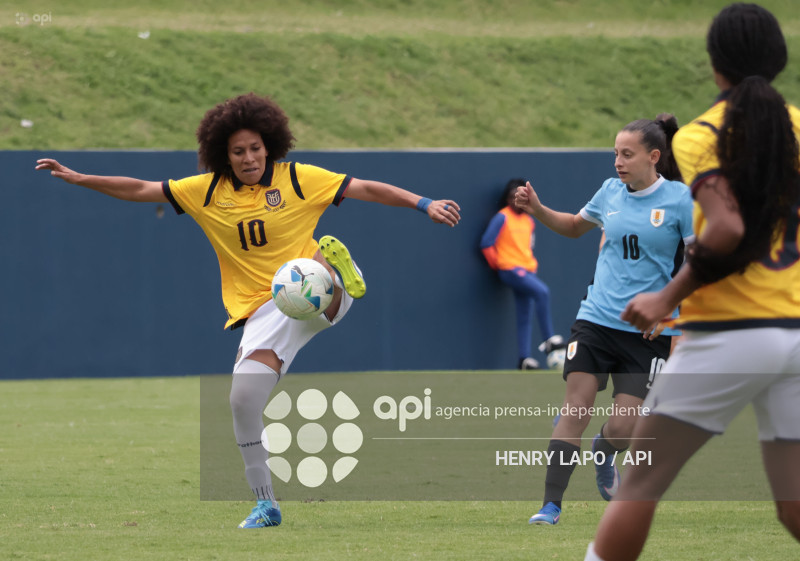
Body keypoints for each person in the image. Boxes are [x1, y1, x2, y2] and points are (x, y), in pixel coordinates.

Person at [35, 92, 462, 529]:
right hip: (263, 312)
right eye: (238, 151)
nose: (248, 157)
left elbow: (365, 188)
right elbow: (142, 189)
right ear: (224, 154)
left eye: (255, 148)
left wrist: (423, 203)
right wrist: (81, 178)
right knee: (242, 401)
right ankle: (266, 504)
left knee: (304, 273)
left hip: (311, 286)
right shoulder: (206, 192)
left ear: (269, 145)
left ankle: (334, 269)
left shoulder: (297, 179)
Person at [585, 5, 800, 560]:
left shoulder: (704, 134)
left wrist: (665, 297)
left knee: (638, 488)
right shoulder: (797, 125)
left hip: (731, 333)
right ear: (778, 59)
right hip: (796, 332)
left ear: (715, 65)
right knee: (792, 505)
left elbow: (727, 225)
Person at [515, 115, 695, 525]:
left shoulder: (681, 200)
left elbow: (699, 265)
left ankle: (606, 450)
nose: (618, 161)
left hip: (649, 330)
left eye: (627, 154)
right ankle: (550, 505)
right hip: (595, 319)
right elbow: (576, 227)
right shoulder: (610, 191)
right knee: (574, 409)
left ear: (654, 157)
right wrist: (539, 208)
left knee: (625, 427)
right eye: (615, 153)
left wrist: (676, 320)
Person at [480, 178, 565, 369]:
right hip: (510, 269)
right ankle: (549, 339)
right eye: (511, 197)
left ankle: (524, 359)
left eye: (518, 197)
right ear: (506, 199)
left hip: (526, 270)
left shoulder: (528, 221)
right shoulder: (502, 217)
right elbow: (486, 243)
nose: (514, 201)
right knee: (543, 292)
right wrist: (500, 265)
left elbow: (528, 246)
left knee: (524, 313)